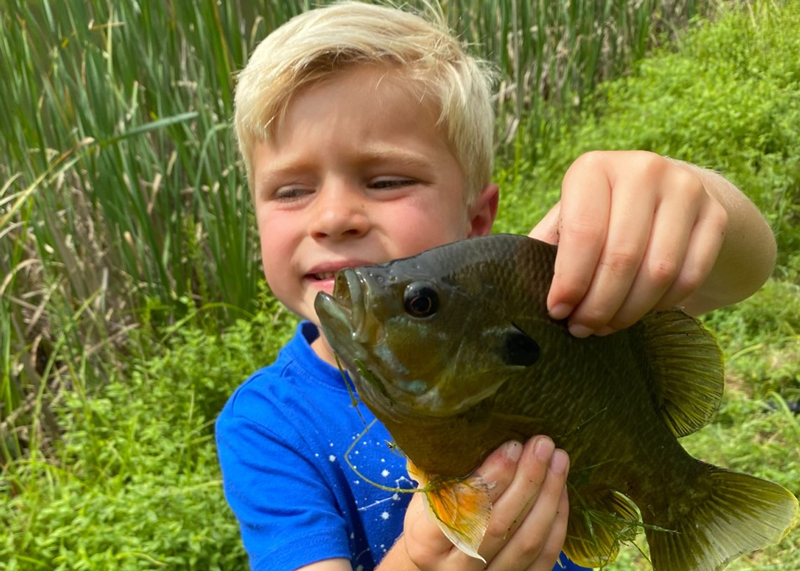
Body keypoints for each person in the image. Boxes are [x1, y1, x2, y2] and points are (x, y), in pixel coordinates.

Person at [215, 2, 777, 571]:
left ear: (478, 219)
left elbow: (743, 271)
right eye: (290, 191)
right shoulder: (267, 426)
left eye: (386, 180)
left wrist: (688, 201)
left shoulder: (553, 291)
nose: (334, 217)